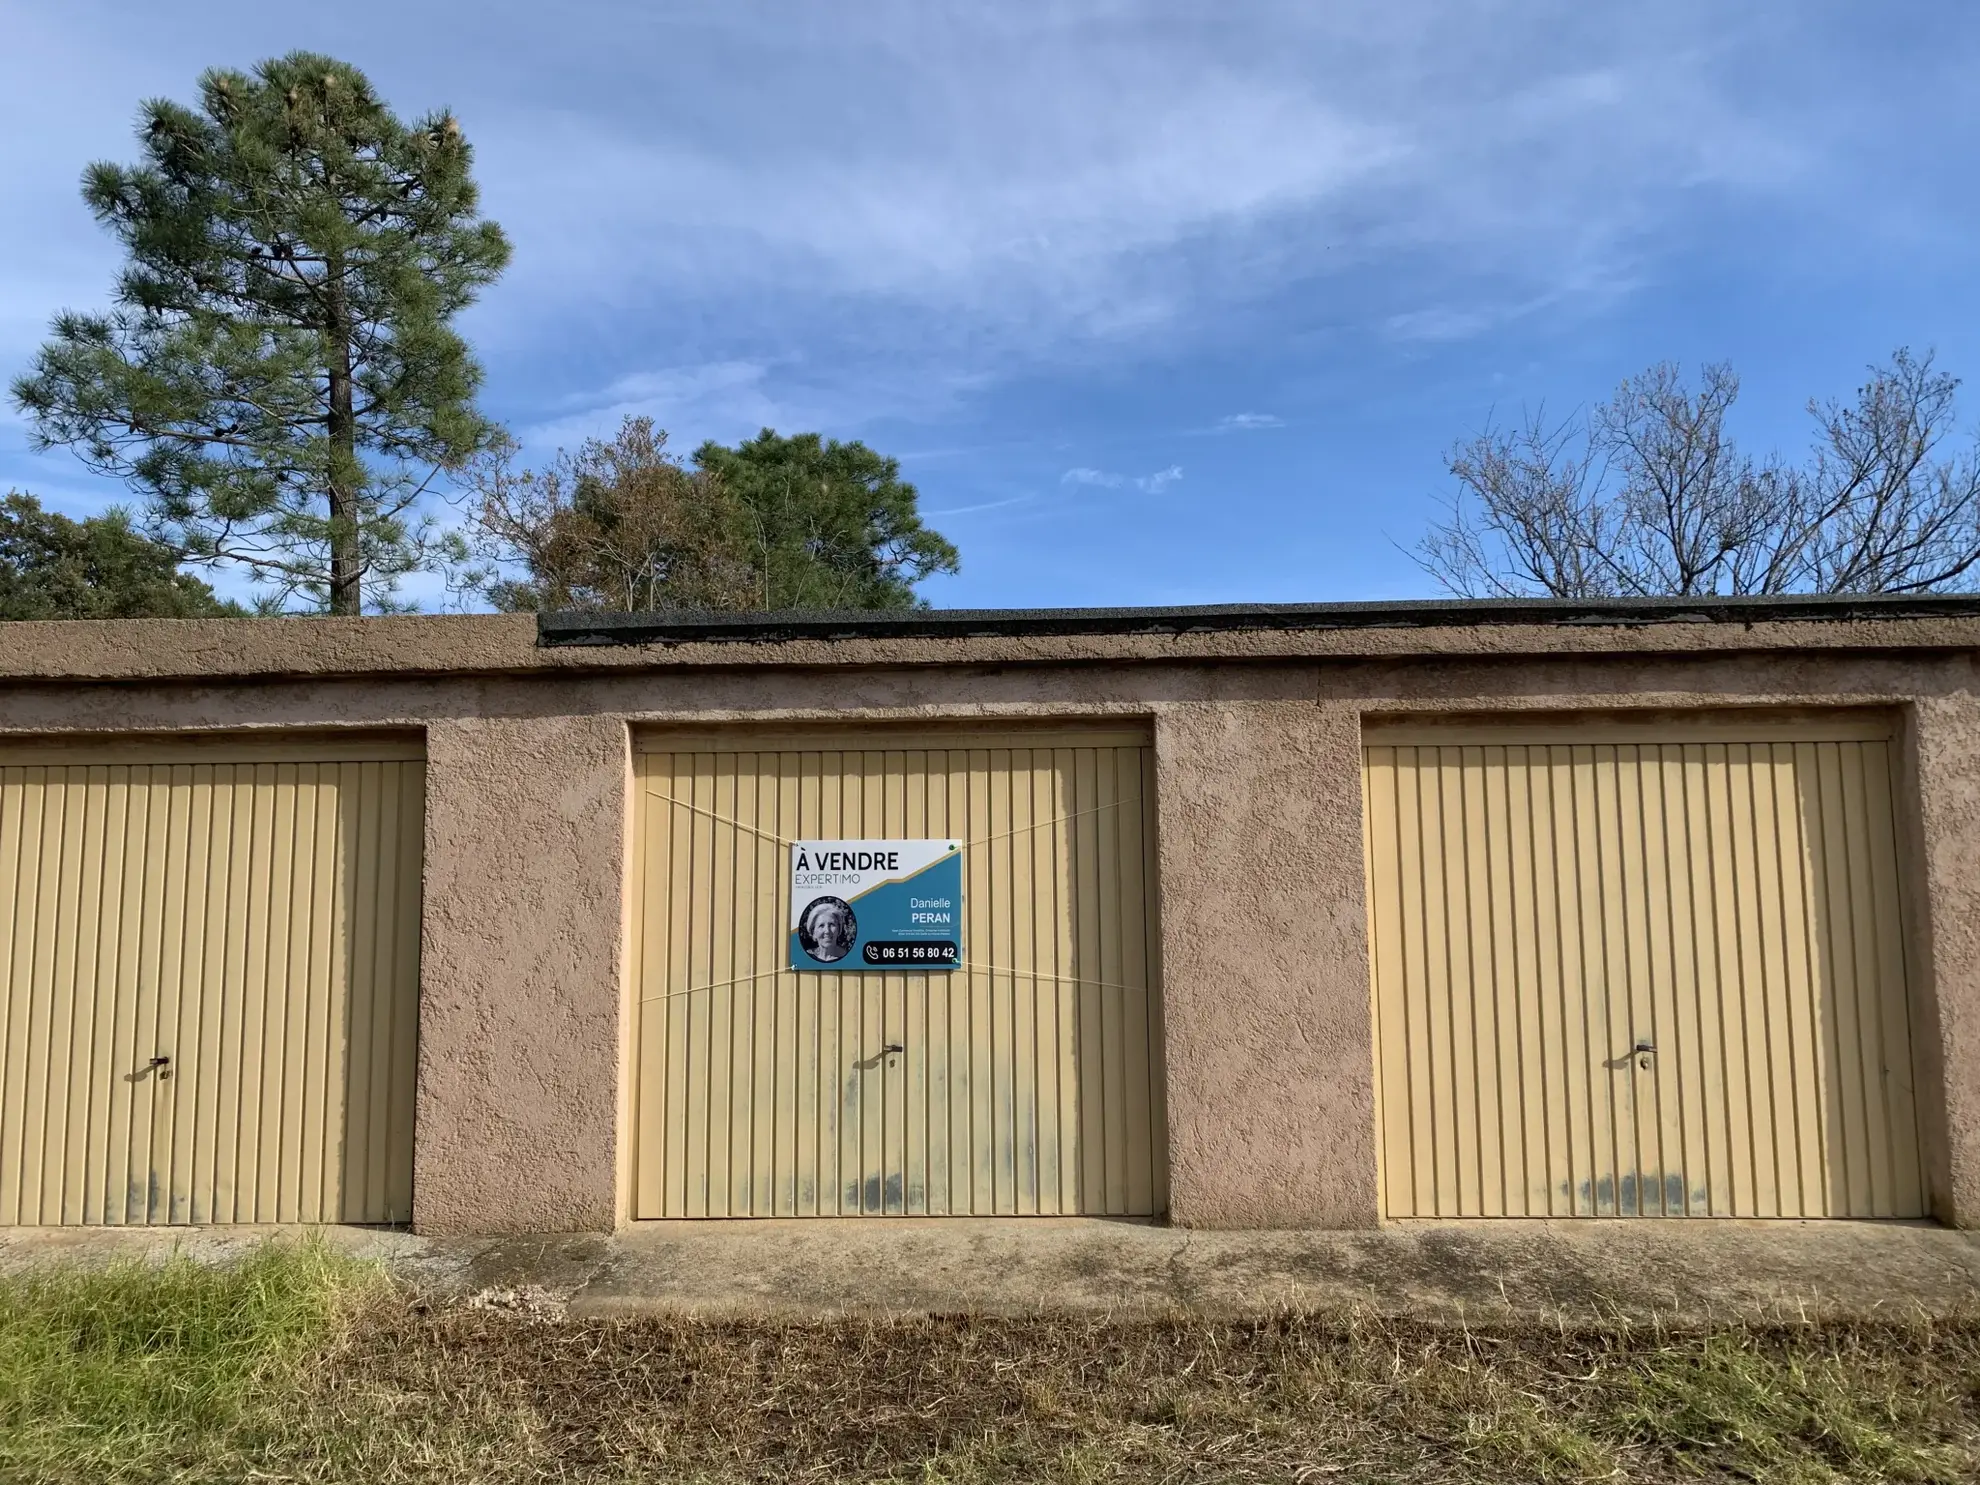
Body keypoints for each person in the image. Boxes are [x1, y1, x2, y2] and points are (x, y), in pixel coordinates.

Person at [798, 896, 857, 963]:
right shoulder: (806, 957)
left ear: (839, 929)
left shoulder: (848, 957)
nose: (827, 931)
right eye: (821, 926)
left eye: (832, 924)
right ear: (813, 933)